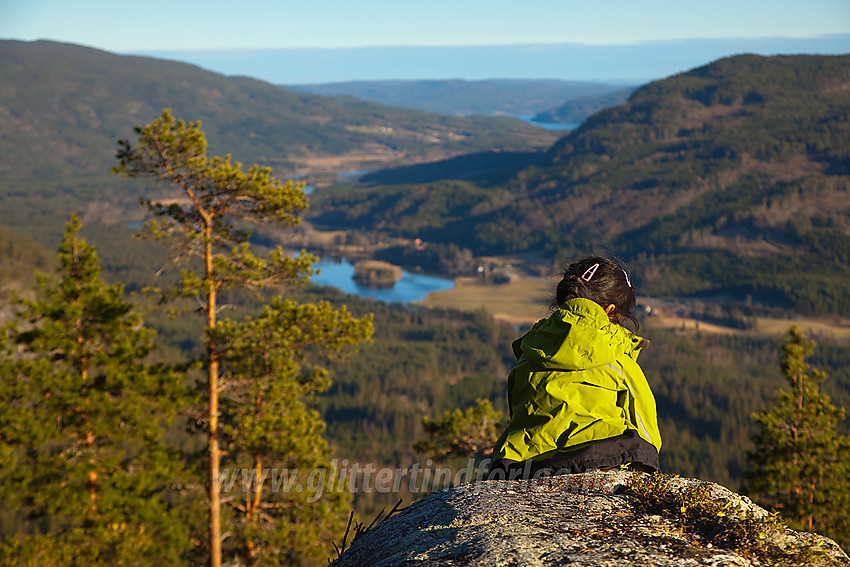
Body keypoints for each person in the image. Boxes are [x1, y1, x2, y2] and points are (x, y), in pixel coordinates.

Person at [489, 256, 661, 479]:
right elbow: (647, 433)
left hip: (523, 467)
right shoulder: (618, 359)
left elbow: (520, 416)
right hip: (600, 459)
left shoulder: (529, 352)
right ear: (610, 310)